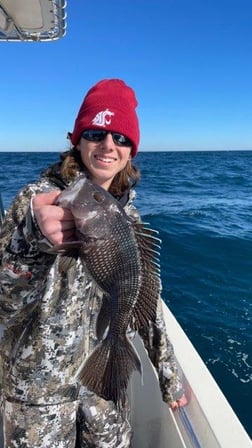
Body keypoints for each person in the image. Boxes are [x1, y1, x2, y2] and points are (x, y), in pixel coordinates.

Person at [0, 79, 187, 448]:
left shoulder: (128, 217)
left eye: (120, 138)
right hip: (38, 392)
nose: (107, 145)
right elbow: (5, 301)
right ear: (77, 139)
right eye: (95, 132)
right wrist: (32, 241)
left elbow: (145, 302)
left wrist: (168, 375)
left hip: (105, 385)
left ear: (131, 150)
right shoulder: (34, 202)